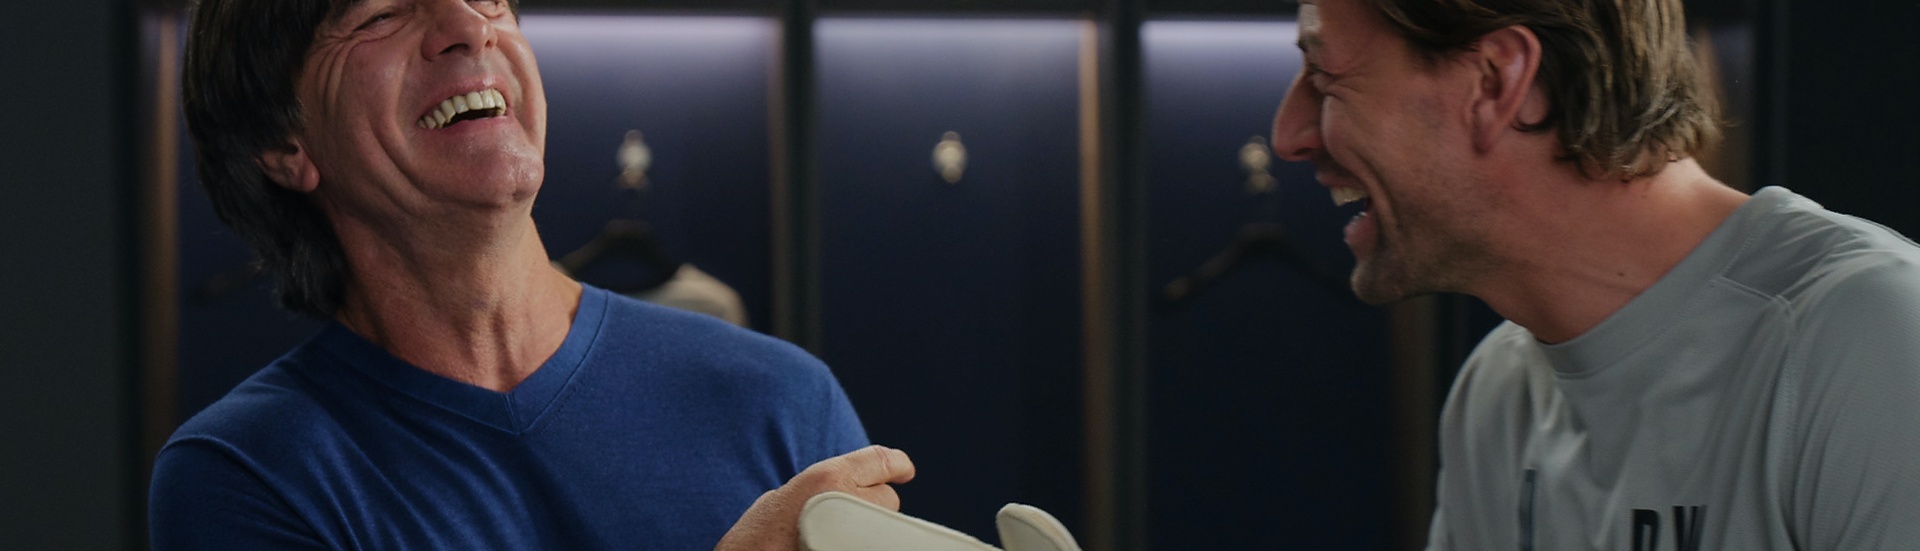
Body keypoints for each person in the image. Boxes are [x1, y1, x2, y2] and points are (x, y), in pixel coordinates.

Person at [148, 0, 913, 549]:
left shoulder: (781, 400)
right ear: (283, 144)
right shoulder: (250, 471)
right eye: (379, 12)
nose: (464, 25)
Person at [1271, 0, 1920, 548]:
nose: (1289, 134)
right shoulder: (1497, 394)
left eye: (1325, 79)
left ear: (1497, 81)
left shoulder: (1872, 338)